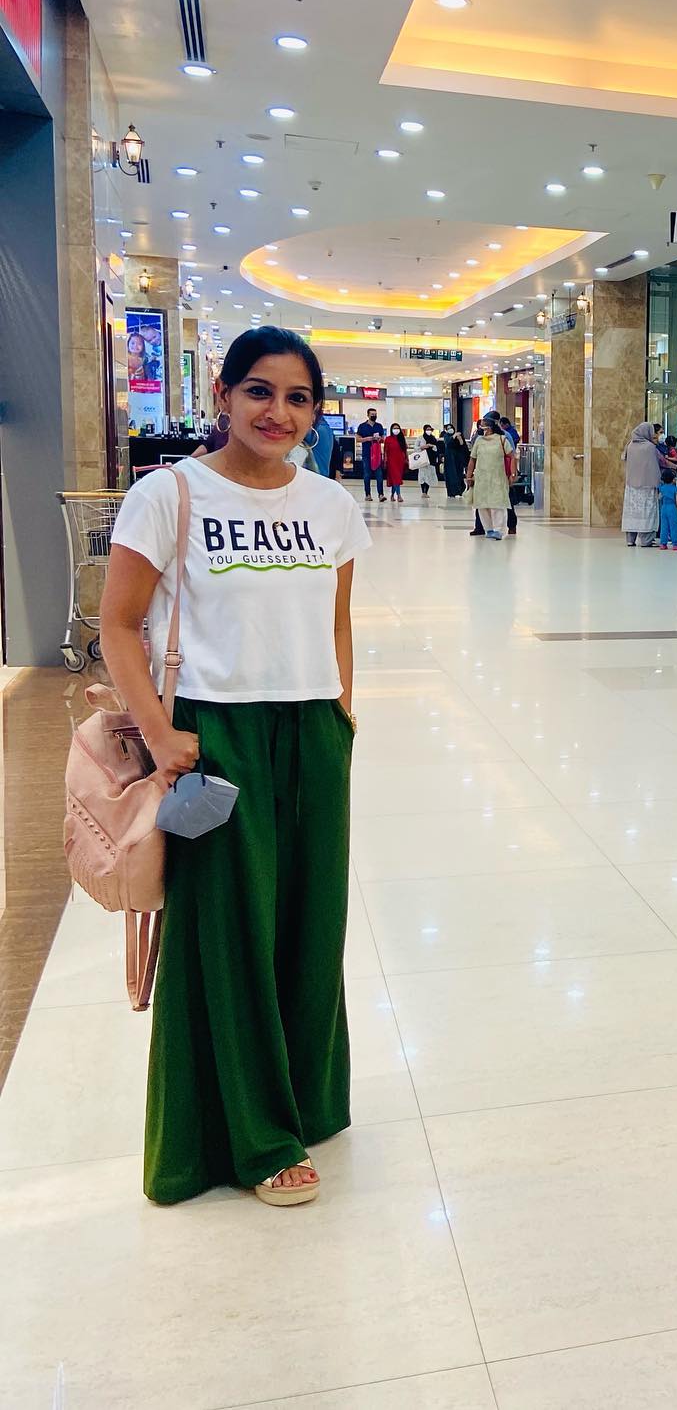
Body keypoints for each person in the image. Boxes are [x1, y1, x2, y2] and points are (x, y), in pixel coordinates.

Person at [98, 324, 370, 1207]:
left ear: (315, 411)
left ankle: (305, 1099)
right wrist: (161, 733)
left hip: (312, 732)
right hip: (216, 737)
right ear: (223, 395)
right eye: (259, 390)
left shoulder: (331, 504)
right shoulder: (168, 494)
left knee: (312, 923)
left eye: (297, 397)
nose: (277, 412)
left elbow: (337, 618)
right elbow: (117, 625)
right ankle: (254, 1138)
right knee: (228, 930)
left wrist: (342, 712)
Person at [467, 413, 511, 539]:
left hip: (497, 476)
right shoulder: (479, 441)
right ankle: (489, 529)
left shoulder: (502, 439)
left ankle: (499, 530)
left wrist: (513, 473)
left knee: (497, 504)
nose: (481, 428)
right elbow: (472, 459)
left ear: (490, 427)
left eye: (483, 426)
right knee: (482, 504)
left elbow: (511, 456)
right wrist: (469, 476)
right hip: (481, 477)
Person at [622, 421, 662, 546]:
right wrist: (658, 482)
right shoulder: (650, 447)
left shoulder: (630, 445)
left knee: (631, 512)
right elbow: (655, 466)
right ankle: (646, 540)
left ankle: (630, 539)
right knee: (647, 512)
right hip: (647, 485)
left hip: (631, 485)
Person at [354, 407, 385, 501]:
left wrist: (379, 439)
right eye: (372, 414)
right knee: (367, 474)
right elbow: (357, 439)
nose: (374, 416)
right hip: (367, 453)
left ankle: (381, 494)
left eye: (375, 414)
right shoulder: (362, 426)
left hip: (377, 453)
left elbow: (383, 438)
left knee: (379, 474)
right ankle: (368, 494)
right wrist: (367, 439)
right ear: (368, 415)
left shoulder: (379, 426)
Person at [658, 473, 677, 551]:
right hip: (672, 508)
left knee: (664, 526)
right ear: (673, 480)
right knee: (674, 526)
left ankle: (663, 544)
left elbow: (659, 498)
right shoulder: (675, 489)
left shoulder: (662, 488)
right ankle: (675, 544)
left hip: (664, 508)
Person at [383, 422, 407, 502]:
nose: (396, 430)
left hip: (400, 461)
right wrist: (385, 460)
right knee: (396, 477)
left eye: (397, 428)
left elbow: (405, 450)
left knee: (396, 478)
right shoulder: (388, 439)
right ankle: (399, 495)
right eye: (394, 428)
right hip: (391, 461)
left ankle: (392, 495)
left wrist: (406, 459)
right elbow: (385, 451)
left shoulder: (402, 439)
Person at [443, 423, 468, 498]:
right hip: (450, 459)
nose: (450, 429)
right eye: (448, 428)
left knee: (459, 474)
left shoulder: (458, 435)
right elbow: (448, 443)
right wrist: (453, 436)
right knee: (451, 475)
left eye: (451, 428)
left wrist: (459, 438)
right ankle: (452, 492)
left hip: (458, 458)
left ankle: (459, 491)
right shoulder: (446, 436)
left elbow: (462, 445)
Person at [418, 424, 442, 498]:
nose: (429, 431)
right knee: (422, 476)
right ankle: (423, 491)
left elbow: (437, 448)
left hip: (431, 459)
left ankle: (426, 492)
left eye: (430, 429)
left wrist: (432, 446)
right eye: (427, 429)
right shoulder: (420, 438)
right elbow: (416, 447)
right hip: (422, 459)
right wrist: (423, 447)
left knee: (429, 476)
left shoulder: (433, 438)